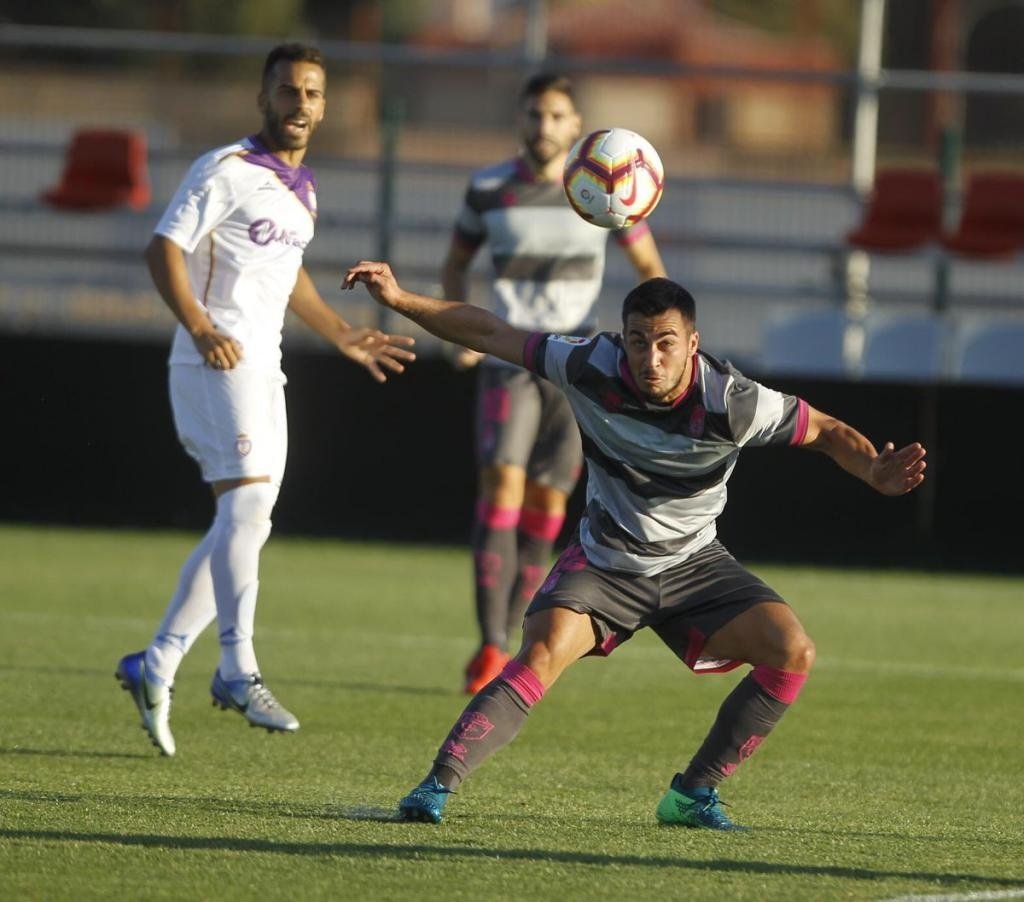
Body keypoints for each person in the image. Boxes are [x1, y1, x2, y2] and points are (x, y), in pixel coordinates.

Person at [343, 261, 926, 831]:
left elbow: (825, 431)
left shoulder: (732, 401)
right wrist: (400, 299)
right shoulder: (587, 365)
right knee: (541, 654)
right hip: (605, 563)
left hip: (695, 565)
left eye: (666, 343)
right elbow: (491, 330)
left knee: (792, 651)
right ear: (620, 339)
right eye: (637, 341)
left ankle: (692, 795)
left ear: (693, 343)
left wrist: (872, 469)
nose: (650, 357)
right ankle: (436, 785)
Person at [115, 44, 415, 757]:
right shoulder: (224, 169)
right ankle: (236, 667)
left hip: (263, 371)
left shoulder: (300, 189)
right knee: (245, 510)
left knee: (244, 522)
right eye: (288, 91)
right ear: (263, 98)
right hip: (210, 360)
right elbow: (164, 249)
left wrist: (343, 332)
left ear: (323, 104)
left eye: (312, 93)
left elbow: (289, 276)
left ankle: (156, 660)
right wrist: (200, 324)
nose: (300, 104)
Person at [441, 72, 666, 693]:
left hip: (576, 367)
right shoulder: (488, 188)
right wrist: (460, 335)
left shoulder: (602, 188)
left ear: (576, 127)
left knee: (545, 505)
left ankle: (519, 639)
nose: (544, 126)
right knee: (501, 492)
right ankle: (488, 646)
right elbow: (455, 263)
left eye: (557, 116)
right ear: (523, 121)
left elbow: (649, 271)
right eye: (535, 114)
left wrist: (647, 349)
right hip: (507, 360)